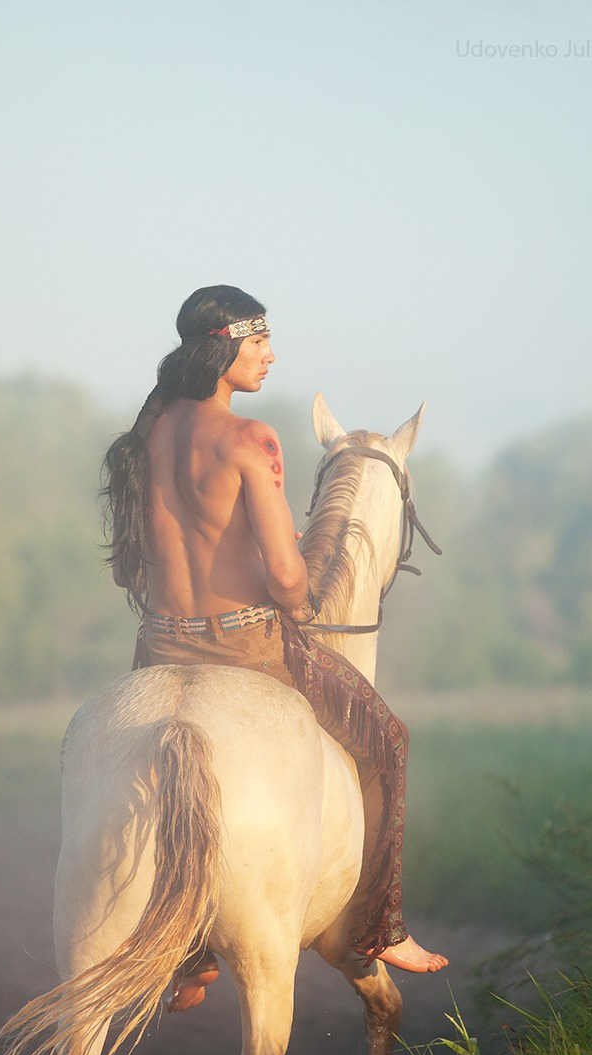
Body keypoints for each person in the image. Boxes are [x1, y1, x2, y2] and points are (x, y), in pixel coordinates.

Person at [102, 285, 447, 1006]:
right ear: (226, 348)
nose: (270, 354)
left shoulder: (148, 435)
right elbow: (290, 587)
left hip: (159, 647)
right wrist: (290, 574)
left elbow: (161, 552)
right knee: (386, 737)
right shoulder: (251, 439)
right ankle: (379, 927)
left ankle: (189, 953)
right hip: (245, 646)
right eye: (259, 343)